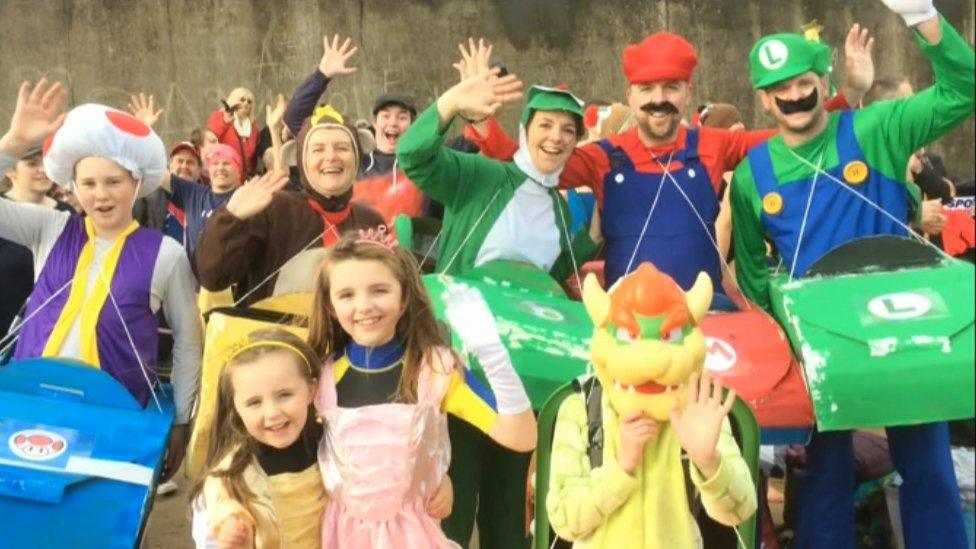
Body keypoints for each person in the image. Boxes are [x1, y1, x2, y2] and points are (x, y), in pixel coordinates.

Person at [730, 1, 973, 546]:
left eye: (803, 81)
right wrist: (784, 345)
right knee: (822, 476)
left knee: (929, 467)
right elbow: (751, 271)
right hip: (824, 347)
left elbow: (965, 88)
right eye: (778, 88)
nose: (794, 95)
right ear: (764, 99)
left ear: (824, 80)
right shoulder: (752, 176)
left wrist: (922, 17)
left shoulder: (877, 127)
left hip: (904, 331)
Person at [463, 26, 875, 293]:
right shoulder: (602, 157)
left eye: (671, 87)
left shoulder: (715, 144)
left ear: (688, 93)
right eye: (647, 89)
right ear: (630, 97)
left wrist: (849, 95)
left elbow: (793, 135)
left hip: (708, 316)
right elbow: (528, 164)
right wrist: (482, 118)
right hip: (627, 321)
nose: (658, 100)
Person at [397, 55, 600, 548]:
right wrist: (448, 106)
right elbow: (415, 156)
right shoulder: (482, 177)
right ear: (526, 129)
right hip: (463, 369)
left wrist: (592, 239)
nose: (556, 137)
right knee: (453, 491)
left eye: (568, 130)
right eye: (546, 125)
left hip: (523, 376)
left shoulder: (561, 210)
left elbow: (548, 287)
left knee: (510, 500)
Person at [0, 80, 202, 481]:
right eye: (88, 183)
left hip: (114, 414)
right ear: (73, 186)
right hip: (27, 402)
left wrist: (180, 421)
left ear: (137, 184)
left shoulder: (166, 253)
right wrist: (11, 144)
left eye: (114, 182)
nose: (101, 195)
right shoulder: (50, 228)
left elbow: (188, 340)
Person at [308, 230, 536, 547]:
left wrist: (492, 353)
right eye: (347, 295)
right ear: (330, 306)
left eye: (379, 290)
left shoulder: (436, 370)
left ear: (404, 298)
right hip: (339, 537)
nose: (364, 305)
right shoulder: (317, 380)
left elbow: (521, 436)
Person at [548, 264, 756, 548]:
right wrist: (621, 468)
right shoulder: (581, 409)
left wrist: (709, 461)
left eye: (668, 336)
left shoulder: (699, 409)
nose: (651, 359)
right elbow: (563, 519)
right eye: (629, 336)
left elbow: (741, 510)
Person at [195, 108, 385, 306]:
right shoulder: (273, 208)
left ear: (357, 157)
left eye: (342, 148)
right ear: (300, 159)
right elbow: (213, 276)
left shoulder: (371, 221)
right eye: (318, 149)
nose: (331, 157)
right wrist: (229, 219)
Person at [191, 328, 326, 549]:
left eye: (285, 395)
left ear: (311, 390)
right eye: (254, 402)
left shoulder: (335, 448)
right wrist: (235, 540)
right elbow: (213, 535)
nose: (272, 413)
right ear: (235, 407)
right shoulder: (229, 476)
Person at [284, 34, 429, 222]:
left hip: (409, 251)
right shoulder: (354, 160)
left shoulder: (428, 165)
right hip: (357, 249)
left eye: (402, 117)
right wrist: (322, 75)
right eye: (386, 116)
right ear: (374, 122)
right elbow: (294, 118)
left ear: (412, 125)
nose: (393, 123)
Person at [0, 145, 74, 336]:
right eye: (32, 164)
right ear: (10, 170)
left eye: (45, 162)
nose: (43, 170)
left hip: (49, 329)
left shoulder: (67, 215)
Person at [208, 87, 260, 177]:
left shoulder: (254, 129)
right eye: (242, 100)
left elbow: (253, 159)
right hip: (223, 173)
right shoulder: (219, 117)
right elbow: (211, 141)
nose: (246, 103)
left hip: (245, 179)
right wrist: (224, 122)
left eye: (249, 101)